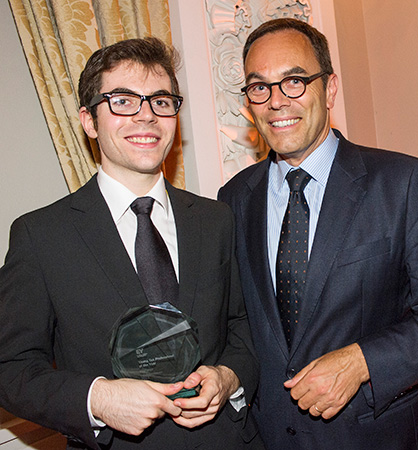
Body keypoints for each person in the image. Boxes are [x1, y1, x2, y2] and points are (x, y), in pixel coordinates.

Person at [0, 37, 264, 450]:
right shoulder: (40, 236)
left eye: (161, 101)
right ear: (89, 121)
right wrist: (98, 399)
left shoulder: (216, 219)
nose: (147, 116)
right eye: (123, 101)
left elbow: (243, 326)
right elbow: (11, 368)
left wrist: (228, 377)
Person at [218, 18, 418, 449]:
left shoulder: (402, 182)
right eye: (259, 87)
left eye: (294, 81)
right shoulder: (233, 198)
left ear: (329, 89)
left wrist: (362, 362)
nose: (276, 101)